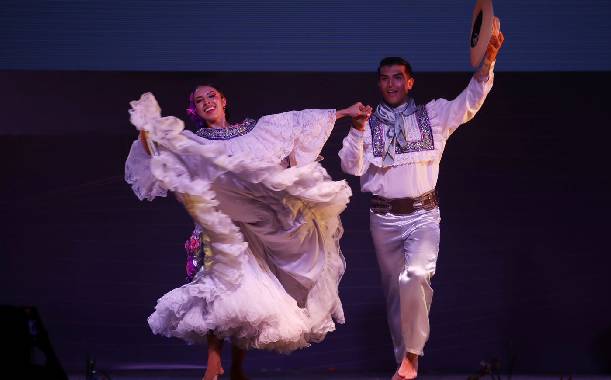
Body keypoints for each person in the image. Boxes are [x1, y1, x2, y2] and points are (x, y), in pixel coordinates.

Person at [125, 84, 371, 380]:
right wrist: (147, 127)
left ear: (224, 100)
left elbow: (298, 121)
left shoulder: (259, 130)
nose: (207, 103)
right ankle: (213, 365)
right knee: (215, 288)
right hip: (217, 227)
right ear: (195, 109)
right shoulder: (194, 141)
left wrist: (345, 112)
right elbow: (155, 147)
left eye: (211, 96)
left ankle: (238, 368)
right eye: (199, 100)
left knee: (245, 296)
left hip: (254, 227)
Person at [338, 18, 504, 380]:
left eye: (398, 77)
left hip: (424, 215)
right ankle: (407, 365)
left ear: (409, 82)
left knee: (415, 277)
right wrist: (356, 129)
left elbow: (470, 101)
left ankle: (411, 361)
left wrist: (488, 60)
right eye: (384, 78)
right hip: (383, 221)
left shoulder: (434, 114)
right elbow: (350, 166)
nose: (391, 83)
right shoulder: (369, 123)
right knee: (397, 299)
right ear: (379, 83)